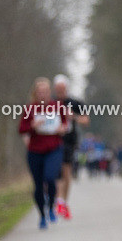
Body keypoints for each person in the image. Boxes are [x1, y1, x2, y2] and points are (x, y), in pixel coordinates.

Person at [18, 77, 69, 229]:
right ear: (35, 93)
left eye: (46, 91)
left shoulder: (58, 106)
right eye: (40, 92)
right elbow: (21, 129)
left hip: (54, 148)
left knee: (50, 177)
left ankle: (52, 206)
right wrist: (33, 125)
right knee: (38, 185)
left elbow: (65, 124)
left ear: (49, 92)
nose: (43, 95)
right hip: (35, 151)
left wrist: (62, 129)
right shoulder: (30, 109)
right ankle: (42, 215)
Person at [53, 74, 89, 219]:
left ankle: (63, 202)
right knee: (55, 172)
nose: (61, 91)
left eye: (63, 88)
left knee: (66, 171)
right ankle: (58, 201)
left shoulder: (75, 103)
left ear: (66, 88)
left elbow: (86, 121)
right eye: (58, 88)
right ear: (55, 88)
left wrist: (73, 116)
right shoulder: (50, 103)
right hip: (52, 141)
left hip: (69, 141)